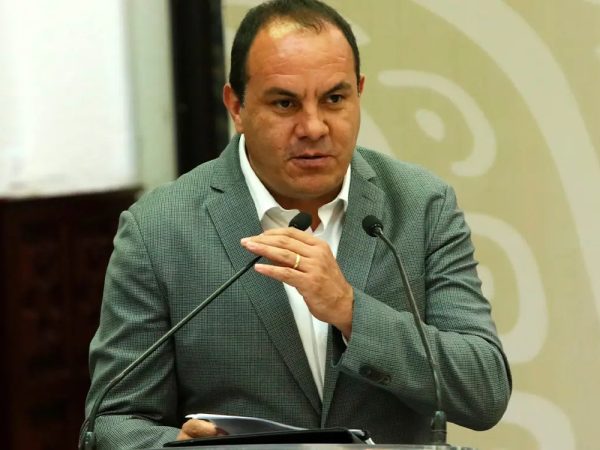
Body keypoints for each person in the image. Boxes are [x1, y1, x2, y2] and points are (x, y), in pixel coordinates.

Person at [82, 0, 511, 448]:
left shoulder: (420, 205)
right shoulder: (159, 229)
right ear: (236, 106)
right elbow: (110, 421)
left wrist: (350, 311)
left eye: (334, 99)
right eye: (285, 103)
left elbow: (484, 391)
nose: (313, 127)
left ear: (359, 93)